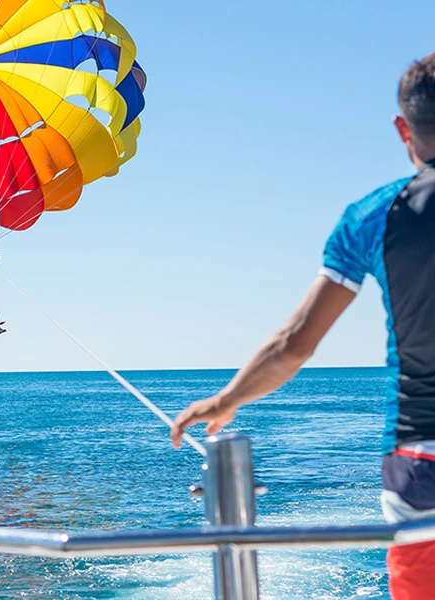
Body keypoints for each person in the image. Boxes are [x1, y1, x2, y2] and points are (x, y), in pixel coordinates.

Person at [171, 54, 435, 599]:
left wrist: (226, 400)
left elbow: (293, 345)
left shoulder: (371, 217)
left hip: (419, 465)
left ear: (402, 129)